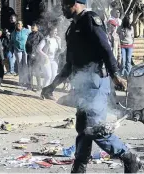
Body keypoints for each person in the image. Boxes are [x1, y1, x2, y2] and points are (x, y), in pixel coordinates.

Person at [41, 0, 141, 173]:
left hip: (95, 84)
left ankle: (128, 157)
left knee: (95, 128)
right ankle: (79, 166)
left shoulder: (90, 20)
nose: (63, 8)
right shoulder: (72, 28)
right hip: (82, 85)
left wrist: (115, 74)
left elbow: (105, 48)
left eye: (67, 4)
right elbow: (70, 64)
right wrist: (52, 85)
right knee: (83, 128)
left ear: (77, 3)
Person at [10, 21, 31, 90]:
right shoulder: (13, 33)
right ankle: (21, 81)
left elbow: (31, 36)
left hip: (25, 50)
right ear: (16, 25)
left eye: (19, 24)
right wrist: (11, 51)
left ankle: (26, 81)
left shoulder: (26, 31)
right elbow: (11, 42)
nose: (18, 25)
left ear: (22, 25)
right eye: (17, 24)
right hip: (17, 50)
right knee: (20, 65)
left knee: (25, 64)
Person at [26, 23, 44, 91]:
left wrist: (39, 54)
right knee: (29, 71)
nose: (33, 27)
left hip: (37, 56)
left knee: (37, 71)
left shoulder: (40, 35)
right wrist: (28, 52)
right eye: (32, 26)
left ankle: (39, 86)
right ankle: (29, 86)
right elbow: (27, 44)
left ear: (37, 28)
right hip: (30, 55)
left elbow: (43, 46)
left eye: (34, 27)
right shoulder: (30, 34)